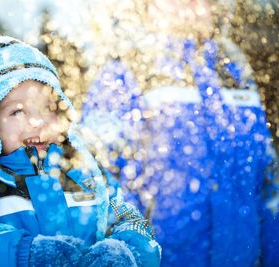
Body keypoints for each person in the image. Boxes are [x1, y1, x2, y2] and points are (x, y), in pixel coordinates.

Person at [0, 36, 161, 267]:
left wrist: (126, 253)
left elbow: (135, 225)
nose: (37, 122)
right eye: (17, 112)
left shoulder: (90, 178)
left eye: (47, 108)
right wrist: (26, 256)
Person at [80, 1, 279, 266]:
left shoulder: (233, 72)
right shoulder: (126, 73)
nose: (196, 5)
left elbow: (268, 188)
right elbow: (99, 187)